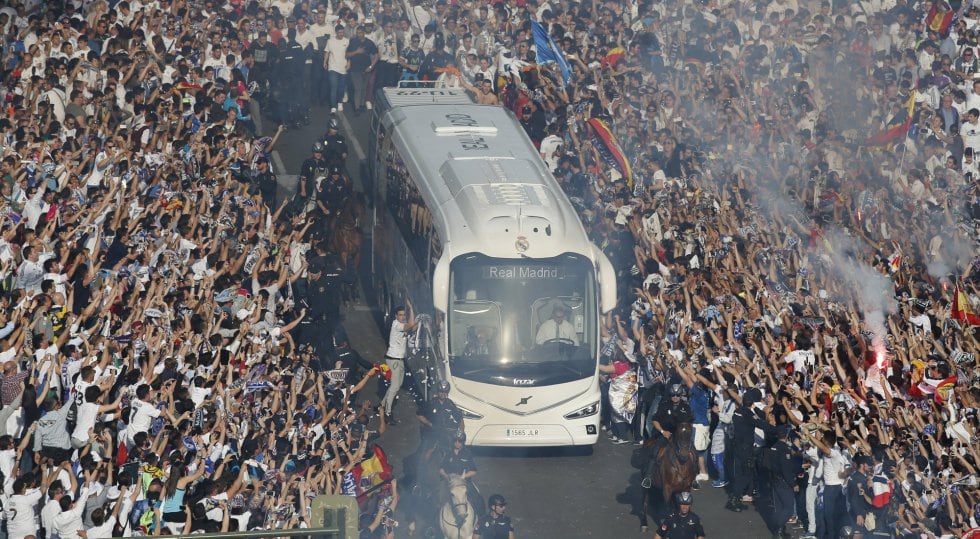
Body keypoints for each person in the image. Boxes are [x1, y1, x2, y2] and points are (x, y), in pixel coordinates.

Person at [642, 383, 693, 488]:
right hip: (665, 434)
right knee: (655, 451)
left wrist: (684, 433)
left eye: (677, 395)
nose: (675, 397)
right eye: (673, 395)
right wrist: (662, 431)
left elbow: (690, 423)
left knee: (693, 452)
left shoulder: (686, 407)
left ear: (681, 395)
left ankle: (693, 477)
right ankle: (648, 477)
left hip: (680, 436)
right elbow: (655, 420)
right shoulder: (664, 405)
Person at [381, 302, 416, 424]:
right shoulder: (396, 325)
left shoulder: (402, 325)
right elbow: (411, 324)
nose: (402, 317)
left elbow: (413, 326)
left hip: (399, 360)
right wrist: (411, 308)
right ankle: (387, 413)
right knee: (395, 386)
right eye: (400, 315)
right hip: (393, 359)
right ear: (396, 316)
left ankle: (382, 405)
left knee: (396, 385)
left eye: (404, 315)